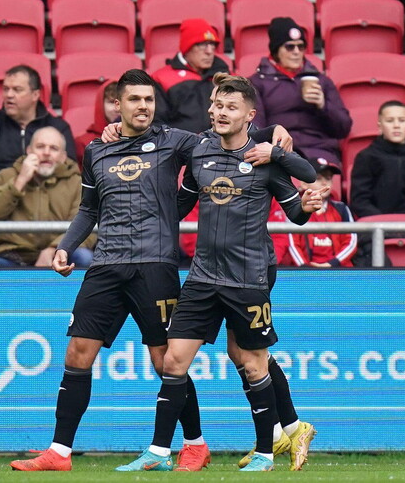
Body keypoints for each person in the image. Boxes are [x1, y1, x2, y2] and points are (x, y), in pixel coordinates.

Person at [115, 77, 323, 473]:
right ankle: (159, 452)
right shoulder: (200, 150)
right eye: (215, 105)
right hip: (202, 277)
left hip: (248, 278)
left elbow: (301, 196)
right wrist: (143, 213)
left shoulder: (264, 159)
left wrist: (290, 174)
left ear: (248, 115)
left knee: (252, 362)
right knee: (173, 361)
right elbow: (180, 203)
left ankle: (265, 452)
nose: (218, 112)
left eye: (228, 106)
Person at [10, 70, 212, 473]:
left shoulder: (174, 141)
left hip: (155, 266)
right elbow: (89, 210)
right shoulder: (95, 151)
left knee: (165, 361)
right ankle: (59, 453)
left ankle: (195, 445)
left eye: (148, 99)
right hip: (105, 264)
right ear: (116, 104)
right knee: (77, 353)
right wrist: (65, 247)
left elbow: (222, 142)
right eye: (134, 99)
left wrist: (269, 131)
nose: (143, 106)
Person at [0, 126, 95, 268]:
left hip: (62, 253)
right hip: (12, 253)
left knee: (84, 257)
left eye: (54, 149)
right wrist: (19, 182)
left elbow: (87, 226)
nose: (46, 153)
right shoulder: (7, 175)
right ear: (29, 151)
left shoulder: (76, 183)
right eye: (40, 147)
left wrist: (54, 249)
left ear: (63, 157)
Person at [249, 16, 352, 165]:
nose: (296, 52)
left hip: (319, 152)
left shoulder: (321, 81)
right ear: (276, 50)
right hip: (280, 152)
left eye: (301, 46)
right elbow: (256, 128)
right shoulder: (258, 82)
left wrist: (323, 105)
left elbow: (344, 128)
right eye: (290, 47)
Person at [0, 64, 76, 185]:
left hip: (45, 198)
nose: (9, 95)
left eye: (17, 90)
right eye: (5, 89)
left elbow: (69, 170)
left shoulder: (58, 128)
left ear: (35, 95)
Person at [350, 101, 405, 219]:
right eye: (390, 121)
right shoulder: (366, 157)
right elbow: (360, 200)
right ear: (380, 126)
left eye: (402, 120)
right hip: (376, 226)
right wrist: (382, 223)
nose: (396, 125)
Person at [151, 18, 230, 134]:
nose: (209, 51)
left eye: (212, 44)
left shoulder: (225, 76)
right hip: (179, 148)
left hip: (220, 147)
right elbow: (156, 123)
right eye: (202, 44)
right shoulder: (162, 78)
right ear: (187, 48)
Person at [277, 157, 358, 268]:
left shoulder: (342, 209)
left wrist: (332, 264)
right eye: (318, 178)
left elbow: (351, 241)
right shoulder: (295, 209)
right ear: (304, 183)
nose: (325, 182)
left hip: (339, 271)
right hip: (305, 274)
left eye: (329, 178)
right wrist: (305, 268)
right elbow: (292, 244)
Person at [73, 80, 119, 162]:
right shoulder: (84, 143)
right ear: (101, 104)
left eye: (121, 103)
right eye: (111, 102)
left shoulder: (140, 138)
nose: (117, 109)